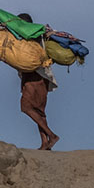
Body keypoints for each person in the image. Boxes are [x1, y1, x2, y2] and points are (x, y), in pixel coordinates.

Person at [16, 13, 60, 150]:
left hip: (35, 76)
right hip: (42, 75)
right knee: (39, 111)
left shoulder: (31, 34)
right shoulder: (39, 33)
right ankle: (45, 142)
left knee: (26, 107)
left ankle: (52, 136)